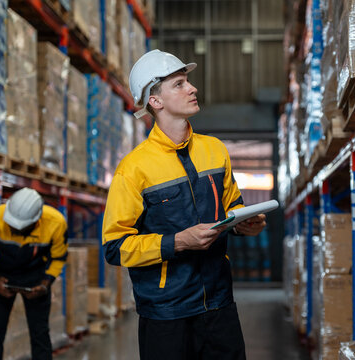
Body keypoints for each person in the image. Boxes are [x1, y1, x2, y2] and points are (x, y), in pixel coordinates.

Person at [102, 49, 267, 360]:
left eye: (188, 81)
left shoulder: (215, 150)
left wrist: (247, 225)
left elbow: (233, 209)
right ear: (155, 101)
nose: (192, 88)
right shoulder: (134, 169)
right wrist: (177, 242)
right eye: (178, 84)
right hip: (166, 315)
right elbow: (115, 248)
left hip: (219, 306)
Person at [0, 187, 68, 360]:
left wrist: (45, 285)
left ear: (36, 220)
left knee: (40, 336)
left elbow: (58, 258)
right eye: (11, 225)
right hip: (0, 276)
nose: (14, 230)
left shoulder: (56, 223)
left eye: (19, 227)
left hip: (36, 279)